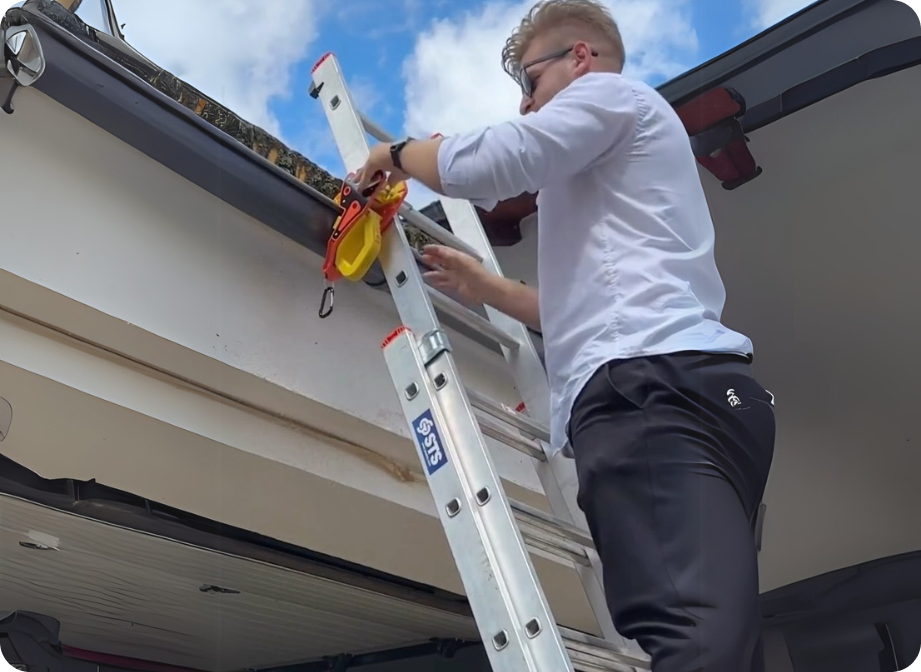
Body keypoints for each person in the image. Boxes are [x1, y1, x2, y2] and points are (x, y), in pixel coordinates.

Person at [355, 1, 776, 669]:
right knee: (717, 636)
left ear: (579, 57)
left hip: (648, 394)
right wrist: (489, 291)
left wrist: (395, 154)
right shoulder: (621, 160)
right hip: (699, 391)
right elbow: (593, 307)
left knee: (693, 640)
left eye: (529, 81)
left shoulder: (608, 95)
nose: (525, 105)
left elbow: (499, 161)